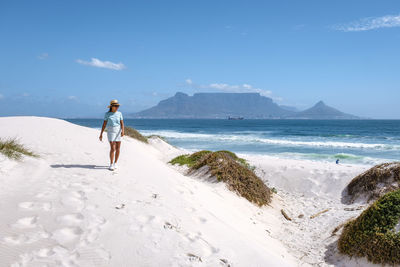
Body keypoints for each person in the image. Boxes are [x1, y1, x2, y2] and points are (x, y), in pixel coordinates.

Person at [99, 100, 125, 171]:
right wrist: (101, 134)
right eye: (116, 106)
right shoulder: (107, 114)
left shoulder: (119, 113)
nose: (117, 107)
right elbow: (104, 124)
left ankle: (115, 163)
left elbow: (122, 123)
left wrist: (123, 131)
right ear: (112, 106)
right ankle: (111, 164)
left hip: (118, 130)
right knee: (113, 148)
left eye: (118, 106)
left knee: (118, 148)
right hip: (110, 131)